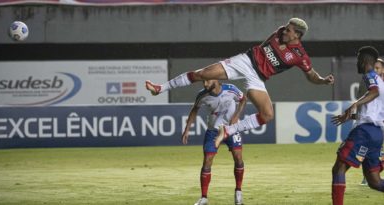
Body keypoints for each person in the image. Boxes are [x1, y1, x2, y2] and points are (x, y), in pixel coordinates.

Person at [145, 17, 334, 148]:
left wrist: (323, 80)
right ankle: (160, 88)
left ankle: (228, 130)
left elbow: (311, 75)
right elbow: (274, 42)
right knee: (203, 74)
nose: (284, 30)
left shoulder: (300, 56)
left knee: (268, 115)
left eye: (289, 30)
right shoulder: (278, 33)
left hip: (257, 77)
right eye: (285, 27)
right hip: (245, 61)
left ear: (297, 35)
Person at [331, 46, 384, 205]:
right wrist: (351, 116)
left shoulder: (370, 76)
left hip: (364, 132)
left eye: (358, 60)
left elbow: (374, 92)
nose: (356, 63)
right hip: (376, 133)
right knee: (374, 181)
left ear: (363, 61)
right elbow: (373, 112)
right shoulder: (381, 81)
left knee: (339, 168)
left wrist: (354, 104)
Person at [182, 79, 247, 205]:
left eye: (207, 81)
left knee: (238, 157)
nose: (205, 84)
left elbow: (243, 99)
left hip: (231, 129)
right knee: (207, 161)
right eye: (203, 82)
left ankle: (238, 192)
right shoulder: (202, 95)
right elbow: (195, 109)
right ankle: (204, 198)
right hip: (213, 131)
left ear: (216, 80)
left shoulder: (231, 89)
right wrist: (187, 129)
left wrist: (236, 116)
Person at [359, 58, 384, 186]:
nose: (375, 70)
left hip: (380, 123)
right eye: (373, 68)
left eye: (377, 68)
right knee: (367, 150)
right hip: (373, 123)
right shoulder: (368, 82)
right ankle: (368, 176)